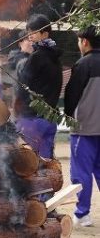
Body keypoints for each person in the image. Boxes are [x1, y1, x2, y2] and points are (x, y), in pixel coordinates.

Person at [64, 25, 100, 227]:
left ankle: (82, 214)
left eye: (78, 41)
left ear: (84, 42)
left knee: (81, 173)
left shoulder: (82, 64)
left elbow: (71, 98)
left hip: (85, 129)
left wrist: (70, 118)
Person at [14, 14, 62, 158]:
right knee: (45, 164)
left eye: (33, 32)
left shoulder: (36, 57)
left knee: (27, 165)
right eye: (28, 32)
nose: (29, 36)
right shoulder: (56, 59)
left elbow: (22, 86)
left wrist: (18, 112)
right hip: (50, 120)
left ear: (45, 34)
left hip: (32, 120)